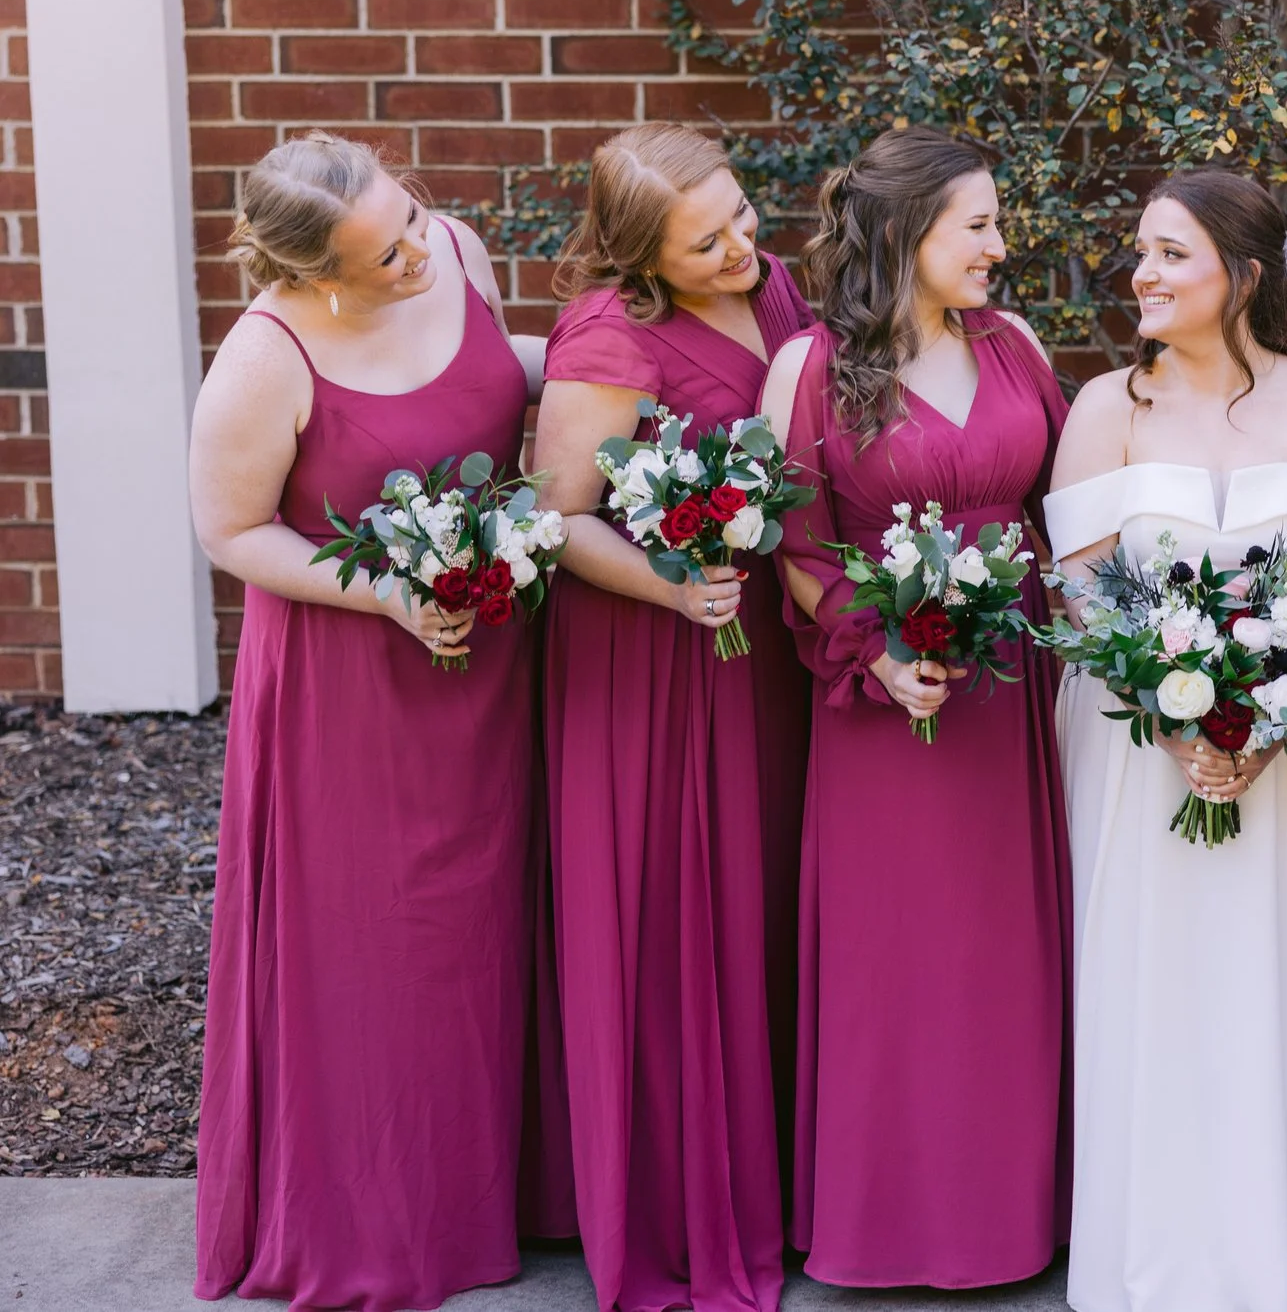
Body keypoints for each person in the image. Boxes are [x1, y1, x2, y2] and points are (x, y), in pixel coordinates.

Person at [190, 133, 537, 1309]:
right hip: (350, 688)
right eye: (381, 249)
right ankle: (384, 1212)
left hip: (492, 659)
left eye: (411, 216)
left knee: (492, 922)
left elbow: (507, 370)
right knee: (382, 944)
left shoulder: (454, 249)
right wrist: (388, 592)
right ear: (309, 272)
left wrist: (637, 370)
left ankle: (512, 1191)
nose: (414, 251)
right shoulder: (265, 355)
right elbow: (233, 531)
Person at [1045, 170, 1287, 1312]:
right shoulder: (1103, 407)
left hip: (1283, 746)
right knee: (1147, 963)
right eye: (1139, 248)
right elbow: (1079, 583)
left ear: (1241, 273)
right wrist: (1175, 706)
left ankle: (1273, 1241)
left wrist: (1265, 720)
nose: (1141, 271)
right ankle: (1148, 1250)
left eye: (1170, 253)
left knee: (1265, 960)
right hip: (1134, 743)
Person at [760, 127, 1072, 1289]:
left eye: (996, 221)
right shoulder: (810, 366)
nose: (1000, 244)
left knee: (1006, 952)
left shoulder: (1016, 344)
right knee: (899, 960)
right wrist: (879, 652)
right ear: (903, 234)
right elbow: (795, 544)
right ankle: (882, 1222)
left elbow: (1060, 506)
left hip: (1009, 695)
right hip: (881, 698)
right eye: (977, 224)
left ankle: (1010, 1216)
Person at [530, 123, 813, 1312]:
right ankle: (678, 1199)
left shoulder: (776, 282)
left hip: (763, 654)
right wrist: (673, 584)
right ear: (642, 253)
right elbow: (560, 514)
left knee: (765, 894)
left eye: (743, 215)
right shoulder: (609, 337)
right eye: (707, 241)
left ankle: (794, 1178)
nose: (743, 246)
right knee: (673, 915)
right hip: (654, 656)